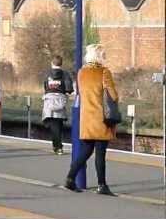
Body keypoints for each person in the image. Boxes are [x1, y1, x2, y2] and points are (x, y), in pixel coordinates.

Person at [64, 44, 118, 196]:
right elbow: (113, 95)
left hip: (86, 118)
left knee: (85, 152)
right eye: (103, 54)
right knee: (100, 154)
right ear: (98, 56)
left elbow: (80, 93)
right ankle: (102, 185)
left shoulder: (81, 72)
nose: (105, 57)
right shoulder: (104, 72)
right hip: (101, 119)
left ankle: (70, 177)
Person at [42, 55, 73, 155]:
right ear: (61, 63)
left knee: (52, 124)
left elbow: (45, 86)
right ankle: (58, 146)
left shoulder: (47, 73)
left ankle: (57, 146)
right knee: (58, 124)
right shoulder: (65, 74)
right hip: (60, 102)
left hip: (49, 101)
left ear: (52, 63)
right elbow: (69, 89)